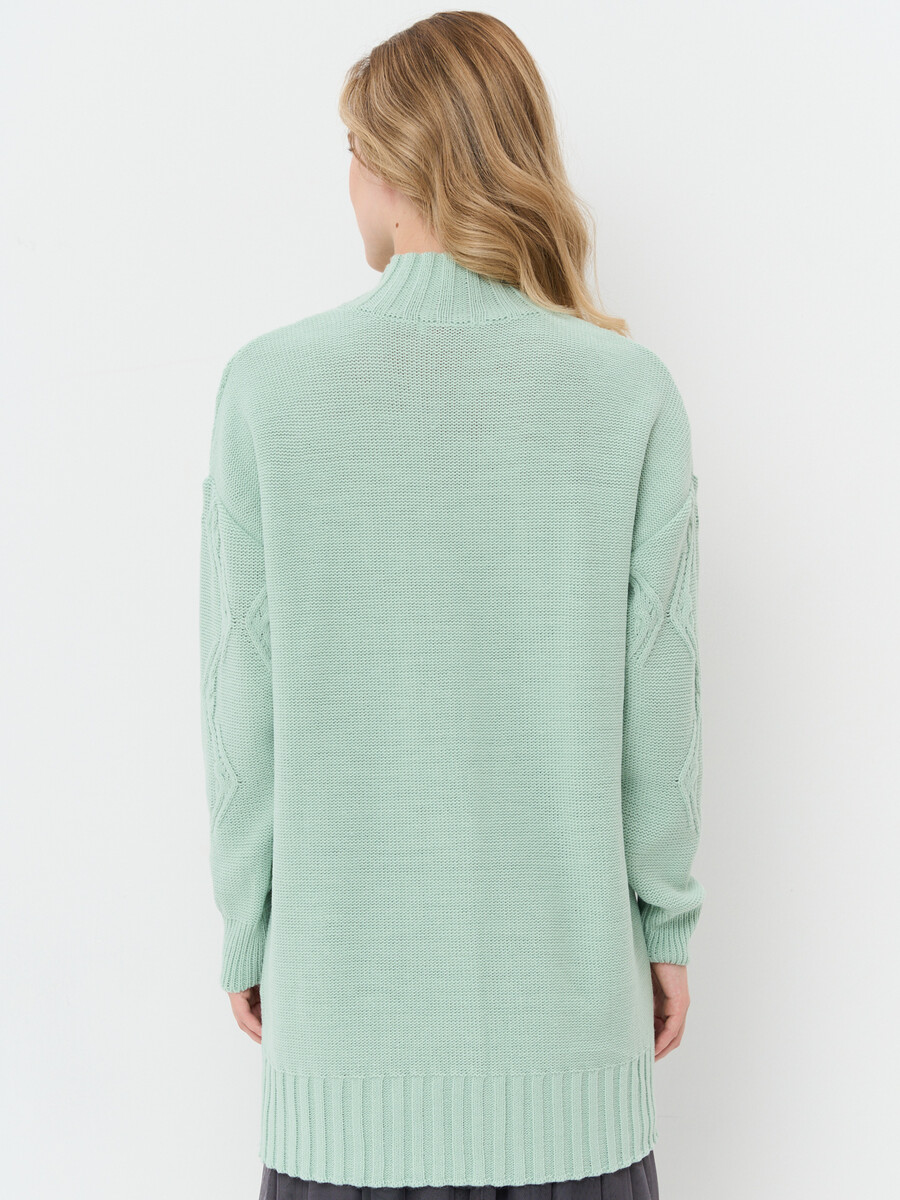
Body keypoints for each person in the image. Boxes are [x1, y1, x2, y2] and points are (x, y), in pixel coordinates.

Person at [198, 13, 705, 1200]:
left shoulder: (268, 390)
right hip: (569, 1062)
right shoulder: (629, 392)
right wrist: (665, 926)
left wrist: (247, 925)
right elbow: (661, 706)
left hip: (343, 1063)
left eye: (351, 150)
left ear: (391, 164)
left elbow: (241, 711)